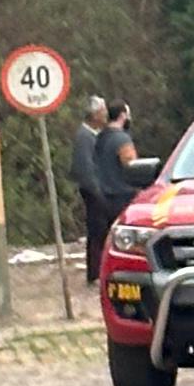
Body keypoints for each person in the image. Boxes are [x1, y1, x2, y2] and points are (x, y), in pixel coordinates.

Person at [74, 94, 139, 282]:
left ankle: (98, 274)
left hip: (103, 193)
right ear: (123, 115)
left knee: (98, 237)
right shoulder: (120, 139)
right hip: (118, 195)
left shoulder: (100, 136)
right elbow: (131, 165)